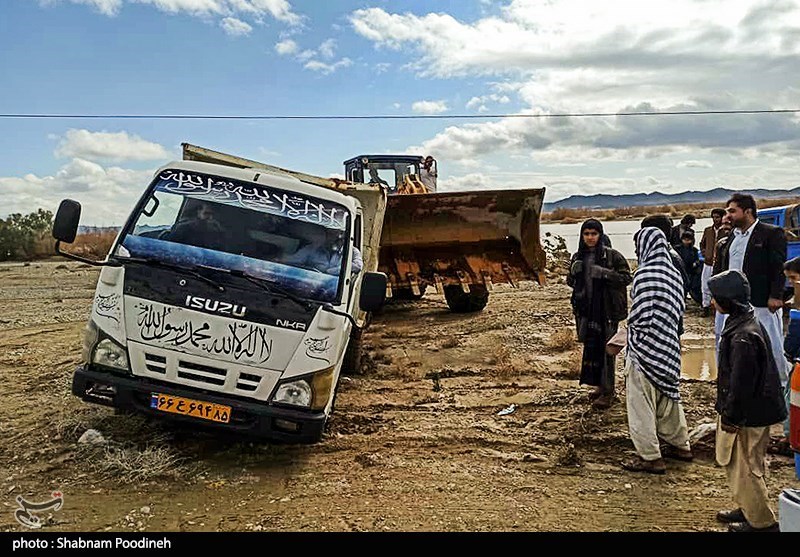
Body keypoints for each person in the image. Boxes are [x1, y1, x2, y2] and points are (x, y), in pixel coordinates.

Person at [708, 269, 786, 532]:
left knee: (747, 467)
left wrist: (731, 416)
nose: (711, 303)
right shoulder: (745, 321)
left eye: (716, 298)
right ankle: (747, 506)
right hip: (755, 410)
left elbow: (741, 384)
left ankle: (762, 523)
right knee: (744, 464)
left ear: (729, 300)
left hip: (749, 414)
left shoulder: (744, 336)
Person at [622, 226, 692, 475]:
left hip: (646, 350)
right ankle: (680, 446)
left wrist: (630, 337)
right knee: (669, 400)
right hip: (670, 347)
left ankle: (650, 457)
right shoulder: (674, 274)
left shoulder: (644, 274)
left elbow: (639, 315)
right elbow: (678, 314)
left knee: (641, 404)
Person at [713, 193, 789, 391]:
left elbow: (778, 267)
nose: (727, 215)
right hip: (731, 303)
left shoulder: (771, 233)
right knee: (725, 339)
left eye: (732, 211)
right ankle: (733, 382)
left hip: (760, 300)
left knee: (769, 341)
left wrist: (775, 295)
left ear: (747, 212)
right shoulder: (731, 238)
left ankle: (779, 385)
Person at [566, 219, 632, 410]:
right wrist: (572, 273)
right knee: (592, 348)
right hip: (585, 311)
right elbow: (572, 283)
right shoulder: (578, 256)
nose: (590, 237)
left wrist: (604, 273)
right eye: (586, 234)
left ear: (600, 235)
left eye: (594, 234)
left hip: (607, 311)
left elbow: (626, 278)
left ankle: (609, 392)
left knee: (607, 351)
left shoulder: (612, 256)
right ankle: (599, 387)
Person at [699, 208, 726, 316]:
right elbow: (702, 244)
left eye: (717, 217)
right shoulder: (708, 230)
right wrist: (705, 253)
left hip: (721, 264)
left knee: (720, 286)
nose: (715, 219)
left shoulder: (726, 230)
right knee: (705, 286)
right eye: (714, 217)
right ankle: (705, 307)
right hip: (708, 263)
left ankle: (720, 308)